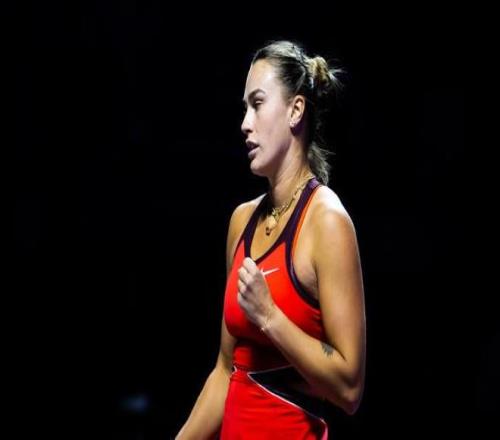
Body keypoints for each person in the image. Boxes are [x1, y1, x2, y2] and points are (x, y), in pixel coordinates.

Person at [176, 40, 366, 439]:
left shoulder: (327, 223)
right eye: (244, 108)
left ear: (296, 110)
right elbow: (225, 372)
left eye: (258, 104)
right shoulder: (241, 222)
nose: (245, 123)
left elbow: (350, 388)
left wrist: (269, 317)